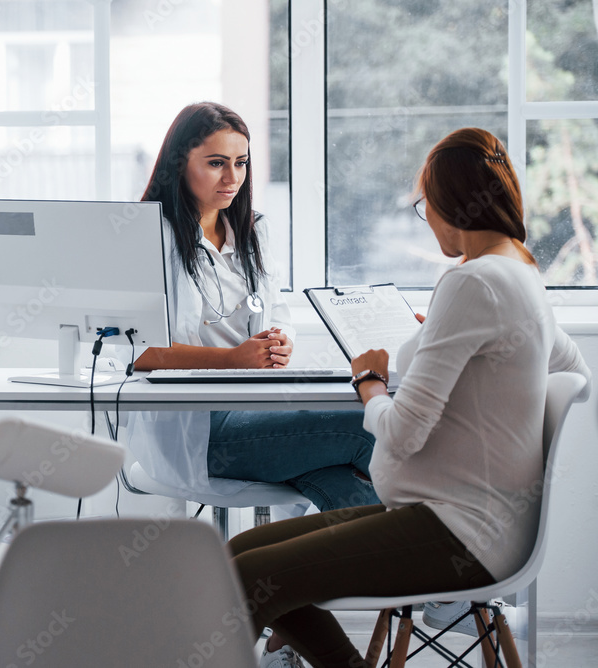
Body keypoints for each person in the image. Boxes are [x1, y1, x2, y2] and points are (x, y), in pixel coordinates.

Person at [225, 127, 591, 667]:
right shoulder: (519, 271)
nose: (427, 218)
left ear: (449, 202)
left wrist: (368, 383)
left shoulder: (472, 285)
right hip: (461, 521)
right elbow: (572, 368)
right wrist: (442, 340)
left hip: (458, 533)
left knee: (249, 576)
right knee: (236, 557)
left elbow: (402, 431)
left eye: (424, 204)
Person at [114, 101, 380, 666]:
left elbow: (269, 319)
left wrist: (274, 345)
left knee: (330, 469)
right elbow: (139, 355)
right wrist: (233, 356)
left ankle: (304, 638)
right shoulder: (147, 237)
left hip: (253, 414)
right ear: (177, 163)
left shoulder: (249, 231)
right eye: (215, 163)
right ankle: (423, 572)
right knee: (367, 430)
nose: (232, 177)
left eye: (241, 163)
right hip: (196, 434)